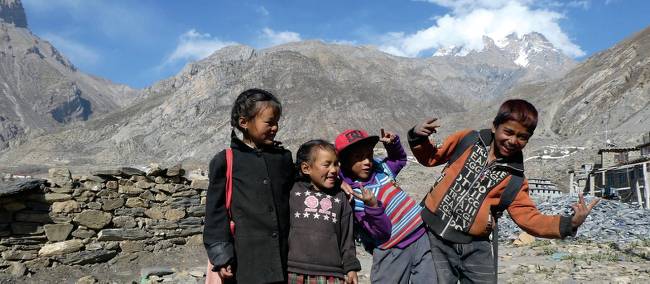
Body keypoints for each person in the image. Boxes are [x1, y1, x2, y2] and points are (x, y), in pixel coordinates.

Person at [408, 99, 600, 283]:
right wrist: (418, 136)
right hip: (435, 239)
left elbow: (529, 218)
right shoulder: (467, 140)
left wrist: (570, 223)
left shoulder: (515, 179)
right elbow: (431, 158)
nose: (513, 140)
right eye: (508, 132)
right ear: (494, 127)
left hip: (476, 247)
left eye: (522, 137)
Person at [203, 88, 295, 283]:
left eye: (277, 122)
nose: (275, 128)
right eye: (269, 122)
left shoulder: (283, 158)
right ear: (244, 123)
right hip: (244, 262)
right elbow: (216, 214)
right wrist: (222, 256)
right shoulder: (226, 161)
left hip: (285, 258)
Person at [335, 129, 437, 284]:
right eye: (358, 157)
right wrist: (373, 206)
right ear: (345, 162)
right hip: (392, 249)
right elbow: (381, 232)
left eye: (369, 155)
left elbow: (399, 161)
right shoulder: (354, 195)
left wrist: (393, 145)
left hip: (421, 237)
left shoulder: (380, 170)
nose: (367, 162)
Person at [287, 140, 361, 284]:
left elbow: (347, 237)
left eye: (336, 164)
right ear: (306, 168)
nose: (334, 170)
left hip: (331, 274)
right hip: (293, 270)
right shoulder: (293, 189)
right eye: (327, 165)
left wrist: (351, 268)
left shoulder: (341, 197)